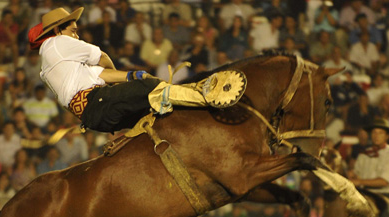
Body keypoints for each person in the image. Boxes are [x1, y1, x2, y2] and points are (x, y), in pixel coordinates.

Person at [29, 7, 245, 133]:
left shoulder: (55, 64)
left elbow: (101, 74)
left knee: (154, 112)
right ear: (58, 30)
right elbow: (102, 57)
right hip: (97, 101)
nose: (77, 36)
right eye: (74, 31)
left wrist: (132, 76)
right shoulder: (57, 43)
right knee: (150, 87)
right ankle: (208, 98)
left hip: (95, 116)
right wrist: (135, 83)